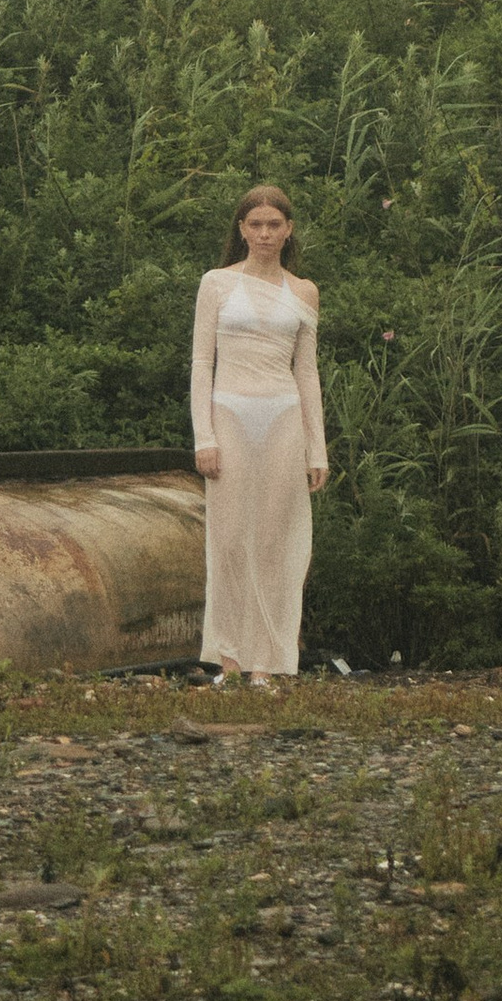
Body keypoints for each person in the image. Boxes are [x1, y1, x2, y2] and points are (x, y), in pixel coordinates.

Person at [190, 183, 327, 687]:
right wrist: (204, 436)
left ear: (288, 230)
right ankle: (228, 659)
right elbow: (202, 362)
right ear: (242, 229)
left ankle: (264, 665)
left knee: (274, 541)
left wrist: (318, 449)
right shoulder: (216, 284)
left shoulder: (304, 291)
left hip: (283, 420)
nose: (265, 233)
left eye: (274, 224)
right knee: (228, 541)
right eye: (255, 224)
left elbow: (307, 374)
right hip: (229, 415)